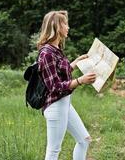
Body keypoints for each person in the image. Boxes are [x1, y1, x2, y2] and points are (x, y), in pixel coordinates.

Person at [37, 10, 96, 160]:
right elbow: (54, 86)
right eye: (65, 24)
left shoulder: (56, 50)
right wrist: (80, 81)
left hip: (65, 104)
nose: (68, 27)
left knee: (84, 140)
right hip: (55, 107)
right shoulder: (46, 53)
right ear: (56, 27)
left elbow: (61, 71)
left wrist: (76, 62)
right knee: (53, 151)